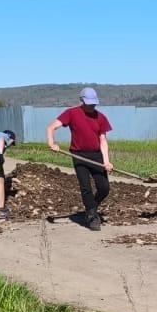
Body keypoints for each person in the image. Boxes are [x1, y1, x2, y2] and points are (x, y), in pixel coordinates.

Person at [47, 87, 113, 231]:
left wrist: (106, 161)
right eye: (89, 103)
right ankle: (91, 216)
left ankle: (91, 207)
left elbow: (103, 141)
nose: (91, 106)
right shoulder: (72, 113)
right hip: (79, 155)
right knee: (85, 187)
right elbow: (51, 127)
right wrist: (52, 143)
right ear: (82, 100)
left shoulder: (100, 117)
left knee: (104, 188)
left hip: (96, 155)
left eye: (93, 103)